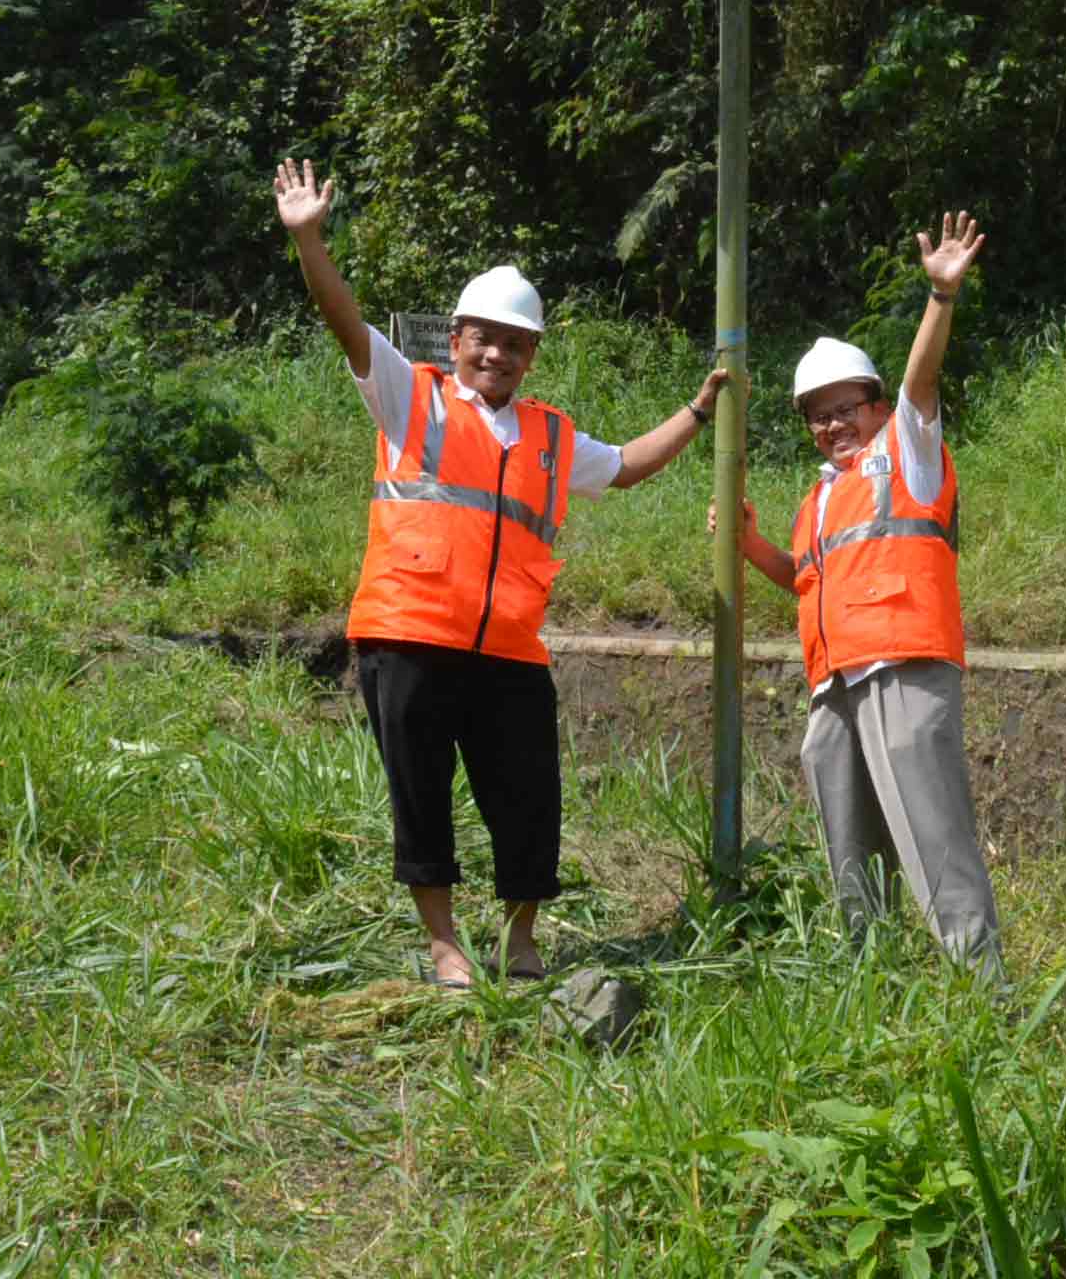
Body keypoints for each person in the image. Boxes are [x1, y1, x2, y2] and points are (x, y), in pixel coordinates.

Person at [273, 159, 727, 990]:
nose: (497, 353)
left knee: (528, 801)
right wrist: (309, 239)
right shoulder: (411, 398)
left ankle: (521, 938)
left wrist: (697, 412)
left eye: (514, 343)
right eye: (483, 337)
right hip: (407, 633)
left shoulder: (551, 437)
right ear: (456, 341)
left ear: (533, 355)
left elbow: (626, 466)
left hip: (510, 651)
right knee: (422, 798)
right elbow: (343, 319)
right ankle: (446, 945)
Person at [720, 210, 1001, 972]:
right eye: (818, 415)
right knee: (849, 846)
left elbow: (922, 382)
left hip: (904, 668)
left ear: (878, 407)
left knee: (933, 836)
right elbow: (803, 579)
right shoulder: (820, 498)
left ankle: (985, 993)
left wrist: (939, 299)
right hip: (835, 684)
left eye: (847, 408)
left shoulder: (906, 452)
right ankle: (870, 981)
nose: (834, 424)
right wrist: (749, 545)